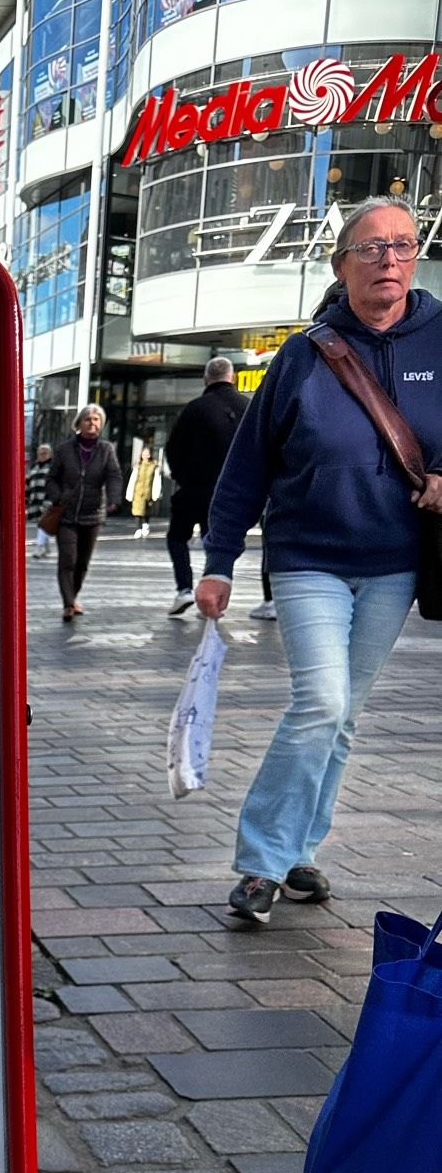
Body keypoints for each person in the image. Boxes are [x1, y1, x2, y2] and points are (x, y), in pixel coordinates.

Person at [197, 196, 442, 927]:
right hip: (308, 558)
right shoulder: (305, 354)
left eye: (401, 245)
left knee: (344, 713)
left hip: (396, 562)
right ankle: (262, 860)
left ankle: (299, 847)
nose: (389, 259)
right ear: (342, 266)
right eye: (370, 248)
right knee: (323, 701)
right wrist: (218, 560)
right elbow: (247, 465)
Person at [163, 357, 248, 616]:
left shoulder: (195, 408)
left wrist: (183, 476)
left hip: (195, 488)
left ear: (205, 378)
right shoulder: (248, 407)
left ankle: (185, 589)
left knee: (177, 537)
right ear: (232, 377)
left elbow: (173, 448)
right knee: (219, 542)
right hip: (233, 493)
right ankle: (212, 599)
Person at [45, 405, 123, 621]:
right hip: (66, 515)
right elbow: (51, 478)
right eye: (88, 419)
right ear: (79, 423)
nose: (92, 423)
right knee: (67, 560)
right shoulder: (64, 449)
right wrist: (58, 496)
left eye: (97, 419)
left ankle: (73, 597)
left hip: (93, 514)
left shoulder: (106, 449)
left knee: (82, 563)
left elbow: (114, 475)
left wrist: (115, 499)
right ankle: (68, 604)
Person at [129, 438, 162, 538]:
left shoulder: (154, 465)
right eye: (144, 454)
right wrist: (129, 491)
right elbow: (133, 479)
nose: (146, 456)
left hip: (149, 492)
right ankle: (138, 528)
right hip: (138, 491)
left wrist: (157, 492)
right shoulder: (138, 465)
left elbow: (157, 479)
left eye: (147, 454)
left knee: (147, 511)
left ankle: (145, 525)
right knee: (137, 511)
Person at [26, 442, 53, 556]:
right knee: (42, 524)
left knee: (43, 523)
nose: (43, 455)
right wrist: (26, 499)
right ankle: (46, 548)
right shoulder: (34, 467)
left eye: (45, 453)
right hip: (35, 500)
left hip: (48, 499)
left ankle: (39, 547)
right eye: (41, 453)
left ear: (49, 454)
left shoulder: (52, 466)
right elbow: (28, 483)